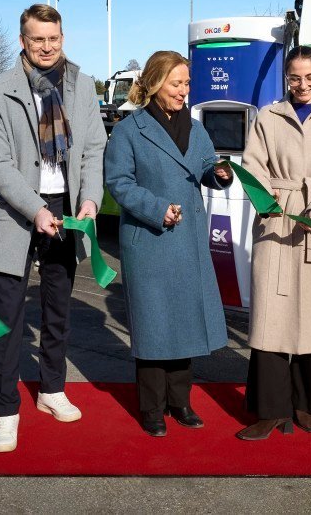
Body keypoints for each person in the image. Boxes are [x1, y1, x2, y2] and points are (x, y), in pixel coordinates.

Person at [0, 3, 107, 453]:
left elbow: (93, 149)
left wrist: (90, 199)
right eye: (37, 39)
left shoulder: (82, 86)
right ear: (22, 41)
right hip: (17, 210)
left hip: (67, 207)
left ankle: (52, 390)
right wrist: (34, 210)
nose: (47, 47)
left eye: (53, 38)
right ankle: (6, 410)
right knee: (7, 319)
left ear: (62, 38)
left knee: (58, 310)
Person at [103, 51, 234, 437]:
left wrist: (221, 174)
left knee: (186, 323)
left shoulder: (196, 128)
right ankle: (152, 409)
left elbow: (208, 168)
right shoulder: (130, 130)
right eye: (177, 84)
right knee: (154, 326)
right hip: (151, 240)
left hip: (189, 240)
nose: (184, 91)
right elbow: (119, 183)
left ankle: (181, 402)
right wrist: (157, 209)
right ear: (156, 84)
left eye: (187, 84)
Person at [237, 46, 311, 440]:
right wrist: (267, 201)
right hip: (277, 219)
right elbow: (252, 164)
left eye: (309, 77)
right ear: (285, 78)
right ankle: (270, 409)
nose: (302, 85)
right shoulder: (267, 117)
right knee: (272, 313)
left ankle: (308, 404)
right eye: (294, 78)